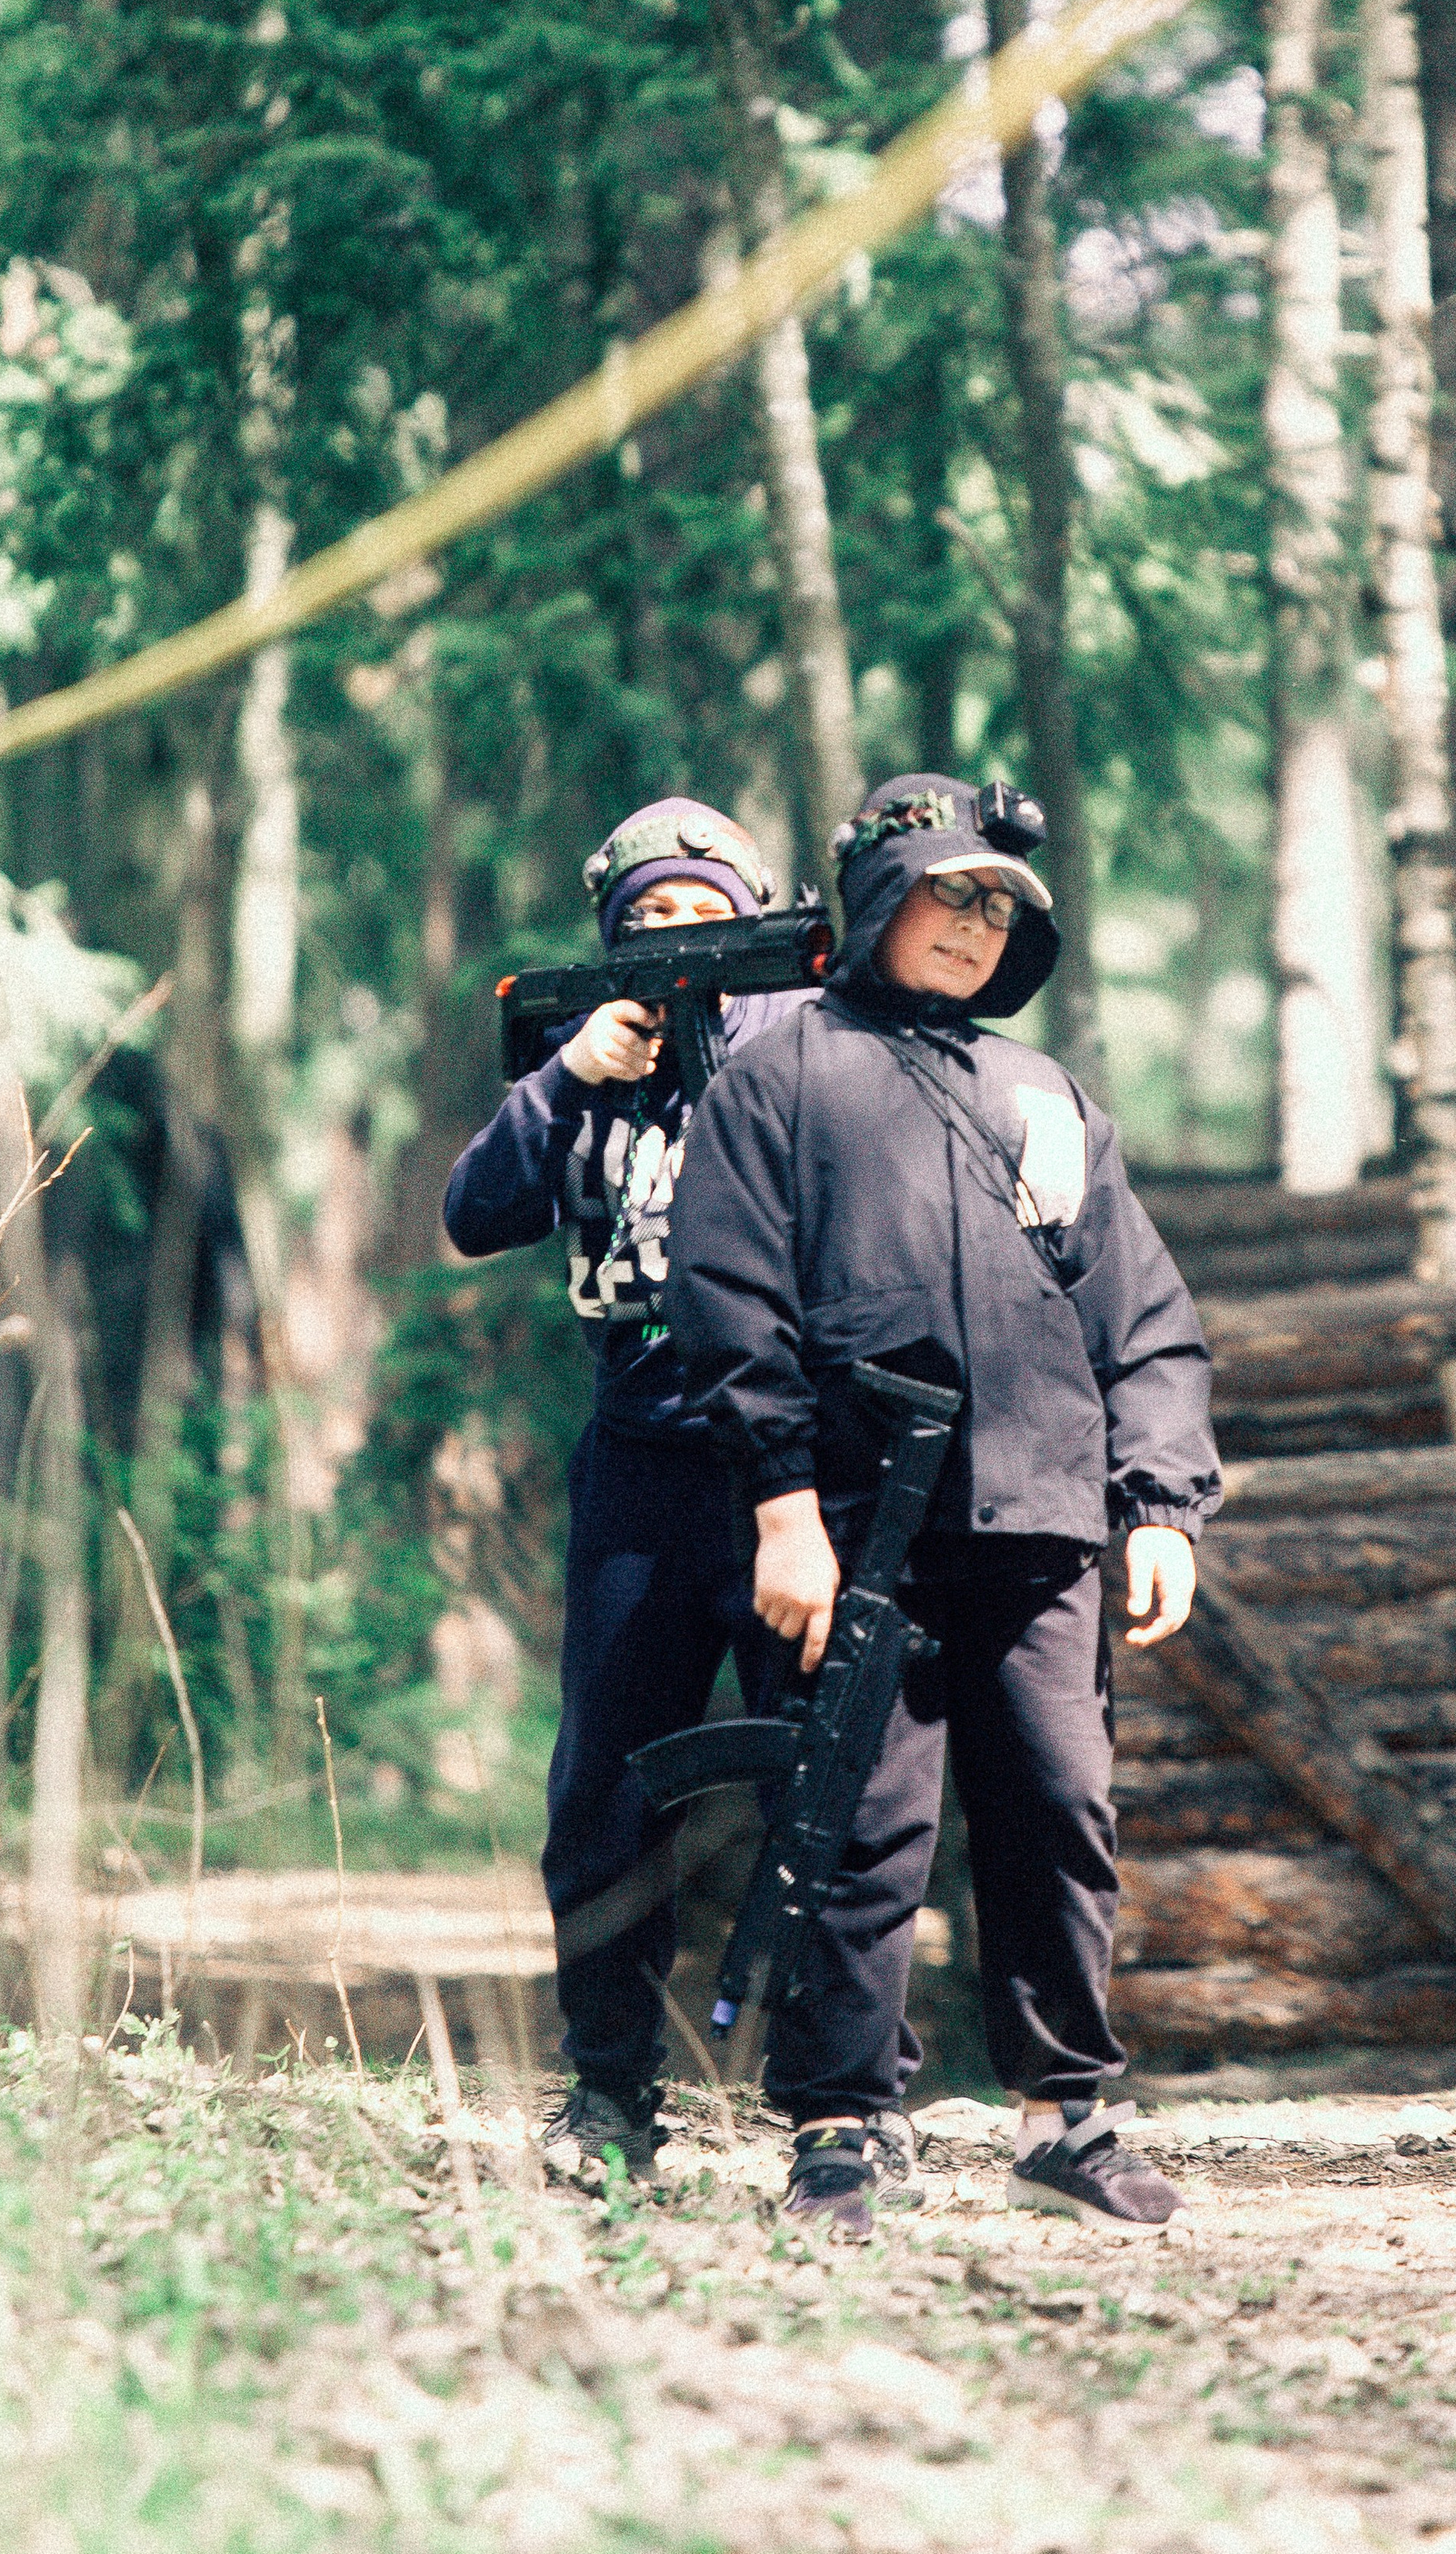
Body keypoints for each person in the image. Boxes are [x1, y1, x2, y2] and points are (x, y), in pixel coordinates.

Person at [665, 772, 1222, 2238]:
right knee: (856, 1821)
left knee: (1056, 1808)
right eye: (950, 891)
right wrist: (785, 1505)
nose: (976, 926)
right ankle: (841, 2126)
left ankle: (1066, 2118)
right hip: (858, 1526)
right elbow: (729, 1305)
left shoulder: (1046, 1096)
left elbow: (1144, 1319)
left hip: (1043, 1524)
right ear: (879, 900)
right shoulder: (780, 1079)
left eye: (1000, 906)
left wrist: (1159, 1499)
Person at [442, 800, 811, 2180]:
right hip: (641, 1469)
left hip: (795, 1472)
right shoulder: (581, 1058)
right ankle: (609, 2095)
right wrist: (567, 1079)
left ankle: (836, 2104)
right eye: (646, 919)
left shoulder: (802, 1049)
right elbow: (478, 1214)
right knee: (604, 1790)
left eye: (701, 914)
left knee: (825, 1782)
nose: (674, 939)